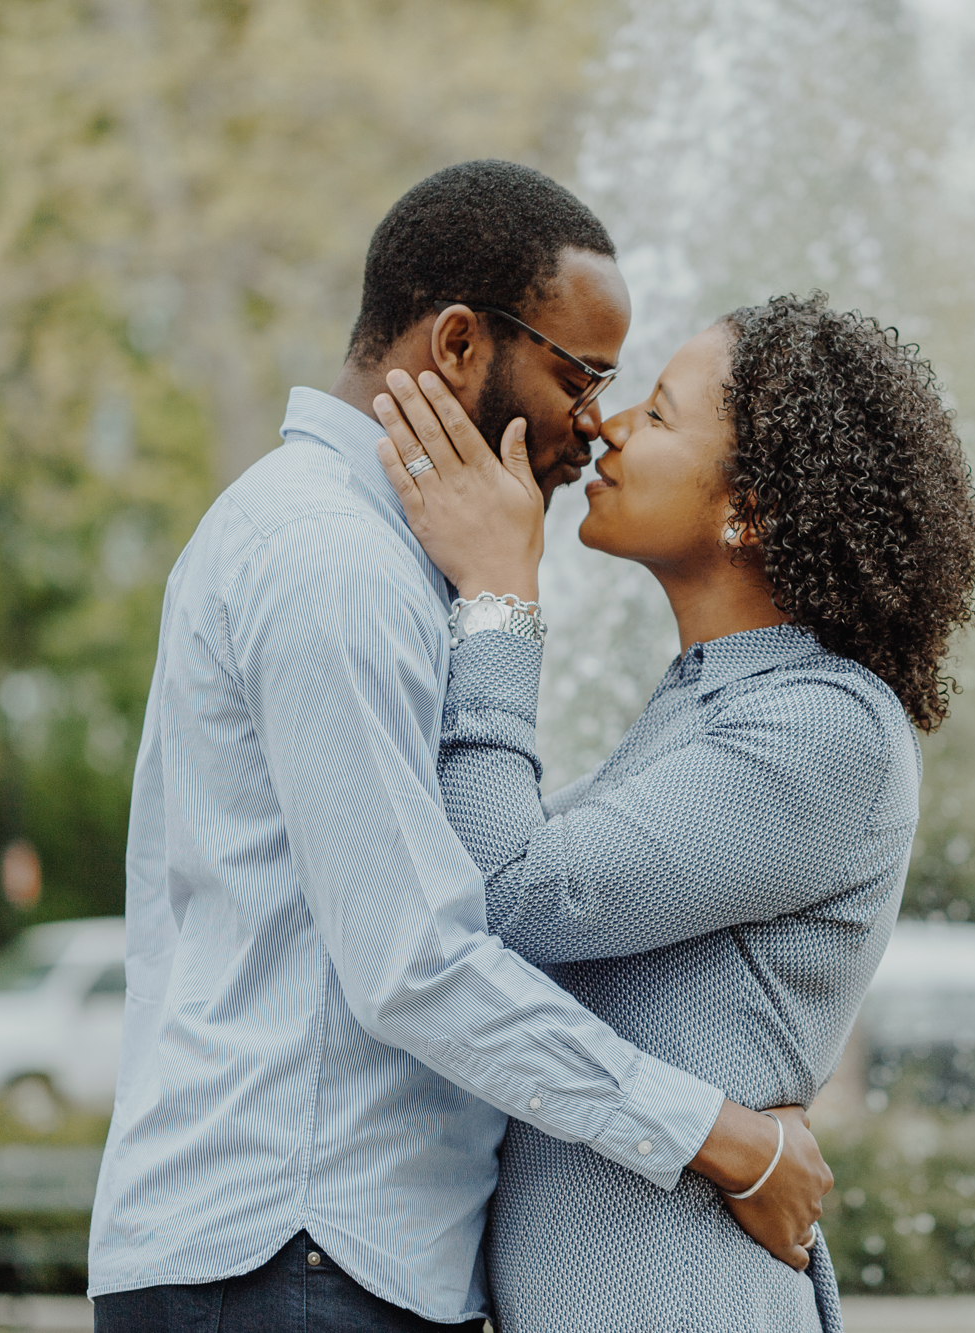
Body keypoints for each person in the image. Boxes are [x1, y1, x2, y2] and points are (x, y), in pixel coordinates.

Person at [88, 161, 832, 1332]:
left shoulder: (362, 552)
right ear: (455, 345)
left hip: (316, 1259)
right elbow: (419, 962)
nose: (594, 418)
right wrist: (718, 1135)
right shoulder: (331, 562)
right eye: (579, 373)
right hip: (295, 1254)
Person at [369, 291, 975, 1331]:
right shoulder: (712, 701)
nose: (607, 423)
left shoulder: (823, 727)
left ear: (755, 508)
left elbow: (509, 894)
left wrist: (497, 599)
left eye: (655, 414)